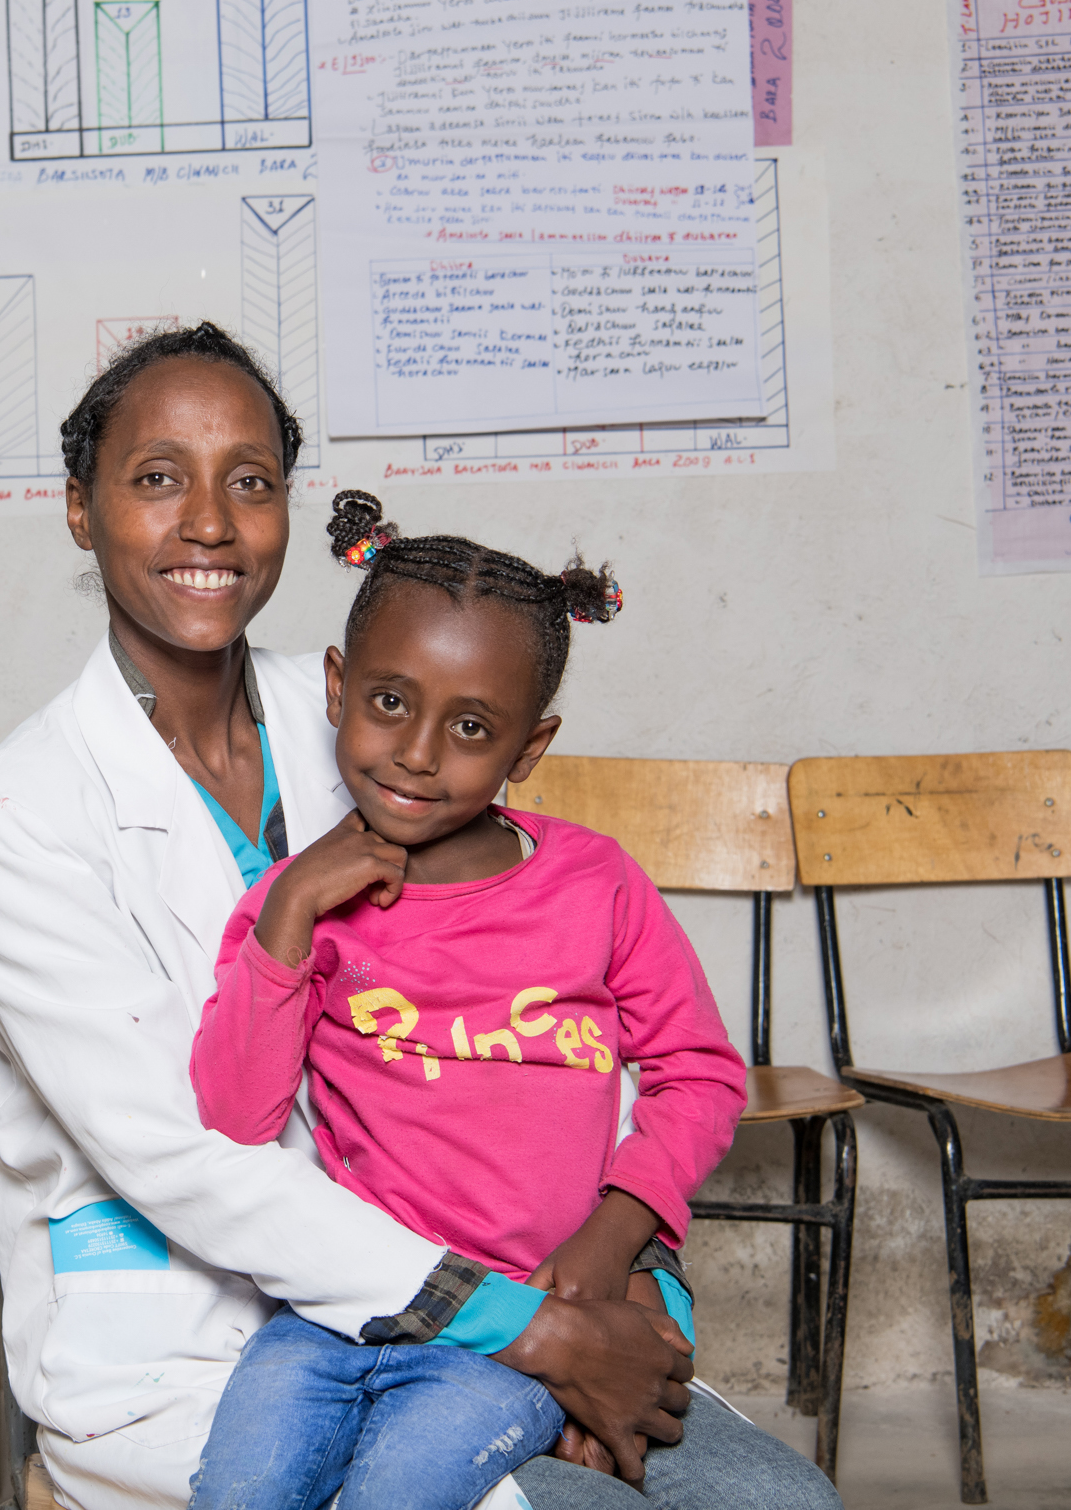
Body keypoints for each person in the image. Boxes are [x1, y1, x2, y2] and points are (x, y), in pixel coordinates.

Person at [0, 323, 839, 1510]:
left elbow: (560, 1020)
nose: (208, 521)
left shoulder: (390, 715)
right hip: (207, 1352)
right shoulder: (12, 814)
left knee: (785, 1505)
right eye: (157, 477)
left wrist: (617, 1272)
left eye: (248, 481)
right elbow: (186, 1150)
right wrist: (536, 1332)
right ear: (77, 507)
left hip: (507, 1295)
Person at [184, 492, 749, 1510]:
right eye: (390, 702)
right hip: (336, 1309)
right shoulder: (295, 900)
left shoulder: (596, 883)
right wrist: (292, 915)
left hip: (513, 1314)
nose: (417, 750)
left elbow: (698, 1072)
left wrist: (612, 1235)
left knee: (401, 1490)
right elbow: (234, 1115)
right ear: (335, 686)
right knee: (241, 1488)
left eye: (473, 725)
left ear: (528, 747)